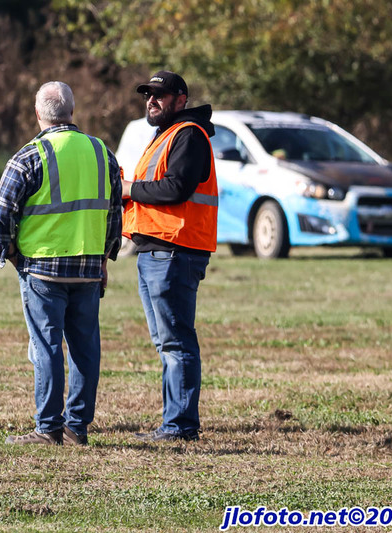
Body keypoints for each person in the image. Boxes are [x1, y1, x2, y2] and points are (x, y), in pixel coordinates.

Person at [0, 81, 122, 446]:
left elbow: (0, 216)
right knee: (85, 349)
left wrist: (11, 255)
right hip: (88, 267)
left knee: (47, 347)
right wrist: (104, 258)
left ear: (38, 114)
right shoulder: (102, 153)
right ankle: (77, 427)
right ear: (72, 112)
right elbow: (114, 213)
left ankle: (48, 427)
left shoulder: (29, 156)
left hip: (42, 269)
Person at [121, 70, 218, 442]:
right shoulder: (165, 135)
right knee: (167, 341)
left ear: (181, 99)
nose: (151, 100)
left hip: (175, 250)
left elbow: (176, 189)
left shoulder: (188, 135)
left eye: (159, 95)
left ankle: (180, 425)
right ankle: (174, 422)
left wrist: (128, 188)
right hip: (157, 250)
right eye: (148, 94)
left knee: (176, 341)